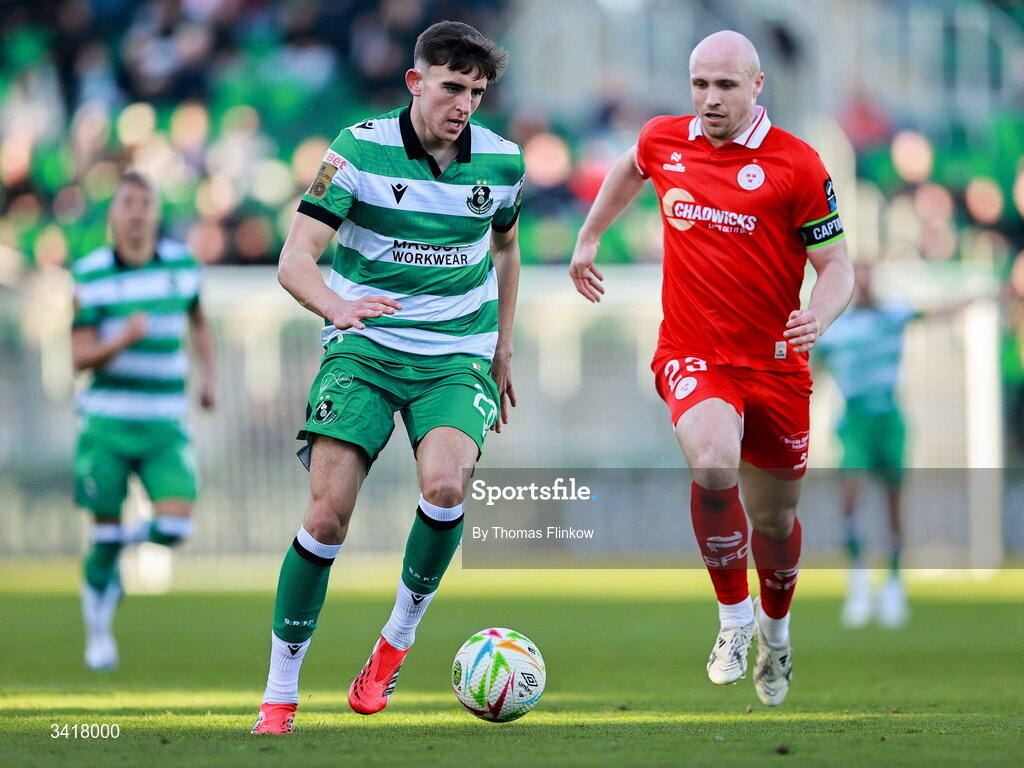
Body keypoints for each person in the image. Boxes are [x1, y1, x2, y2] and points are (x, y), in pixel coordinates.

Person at [251, 21, 524, 735]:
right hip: (364, 351)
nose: (464, 105)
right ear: (415, 82)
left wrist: (504, 347)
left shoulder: (502, 161)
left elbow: (506, 251)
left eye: (476, 92)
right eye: (451, 88)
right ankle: (280, 694)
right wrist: (341, 307)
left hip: (455, 354)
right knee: (327, 514)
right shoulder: (356, 150)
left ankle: (394, 644)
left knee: (445, 485)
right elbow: (294, 260)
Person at [569, 30, 853, 707]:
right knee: (713, 462)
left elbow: (837, 265)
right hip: (694, 353)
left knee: (776, 522)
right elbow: (631, 166)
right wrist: (588, 235)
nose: (709, 99)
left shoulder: (798, 164)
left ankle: (775, 638)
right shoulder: (667, 139)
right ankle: (732, 618)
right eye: (699, 84)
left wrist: (821, 314)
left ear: (758, 86)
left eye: (724, 85)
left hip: (777, 368)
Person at [71, 171, 216, 671]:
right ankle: (98, 638)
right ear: (113, 213)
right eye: (126, 203)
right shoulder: (90, 274)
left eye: (144, 203)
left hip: (163, 424)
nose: (135, 212)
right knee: (102, 534)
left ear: (156, 212)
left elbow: (199, 322)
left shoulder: (181, 266)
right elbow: (79, 355)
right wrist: (121, 340)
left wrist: (209, 378)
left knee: (174, 524)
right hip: (106, 426)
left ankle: (119, 543)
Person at [815, 262, 921, 629]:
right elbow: (812, 368)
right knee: (849, 497)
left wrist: (997, 295)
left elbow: (939, 311)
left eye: (866, 274)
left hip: (889, 417)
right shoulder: (835, 329)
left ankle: (893, 584)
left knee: (894, 502)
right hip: (855, 419)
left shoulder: (892, 315)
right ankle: (858, 581)